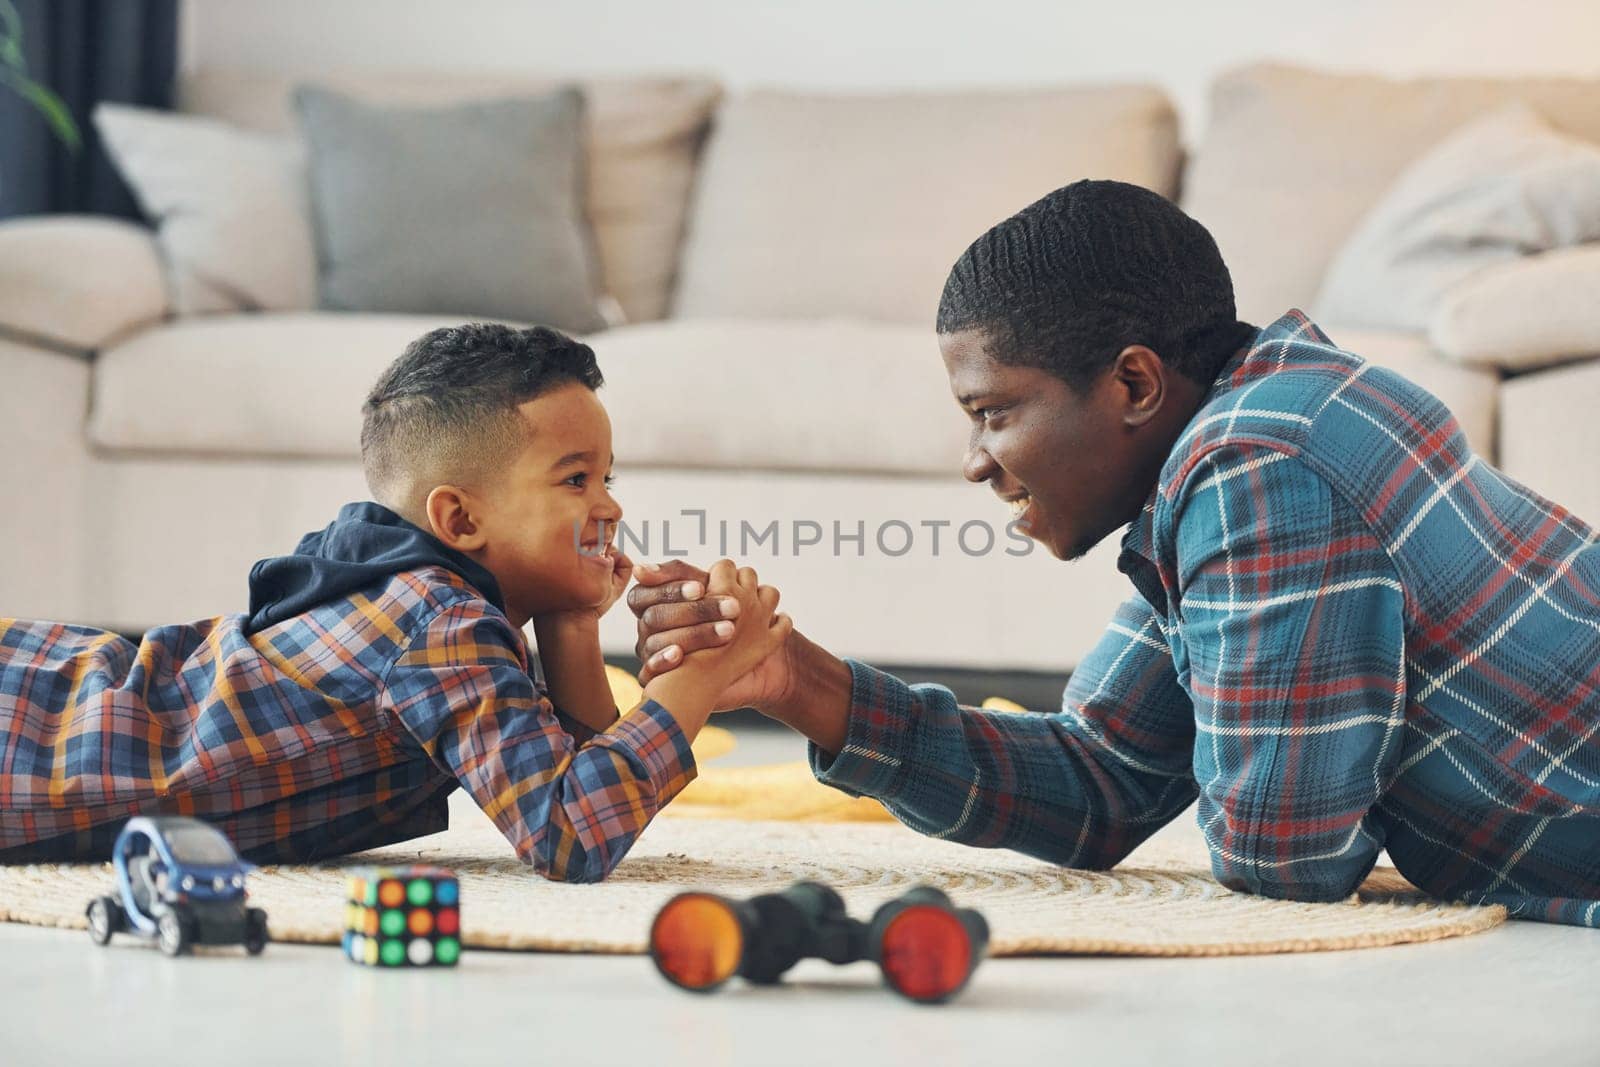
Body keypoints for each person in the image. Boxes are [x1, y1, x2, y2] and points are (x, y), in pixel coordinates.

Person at [629, 179, 1600, 925]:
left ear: (1134, 382)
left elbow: (1280, 856)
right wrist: (800, 680)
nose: (976, 462)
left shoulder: (1259, 467)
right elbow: (1106, 782)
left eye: (994, 411)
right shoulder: (1252, 432)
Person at [0, 323, 789, 881]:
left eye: (608, 478)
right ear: (460, 518)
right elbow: (573, 828)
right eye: (575, 479)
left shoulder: (414, 589)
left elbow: (567, 767)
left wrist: (572, 622)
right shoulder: (439, 622)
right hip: (34, 751)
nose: (609, 507)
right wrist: (701, 678)